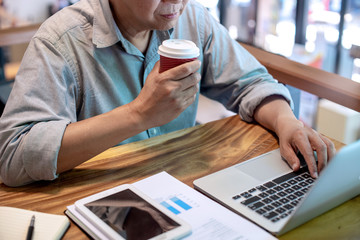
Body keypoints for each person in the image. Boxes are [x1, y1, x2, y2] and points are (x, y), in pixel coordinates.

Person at [0, 0, 335, 187]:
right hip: (99, 201)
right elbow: (13, 157)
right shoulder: (61, 41)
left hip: (183, 187)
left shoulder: (194, 20)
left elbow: (249, 82)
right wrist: (137, 115)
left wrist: (286, 121)